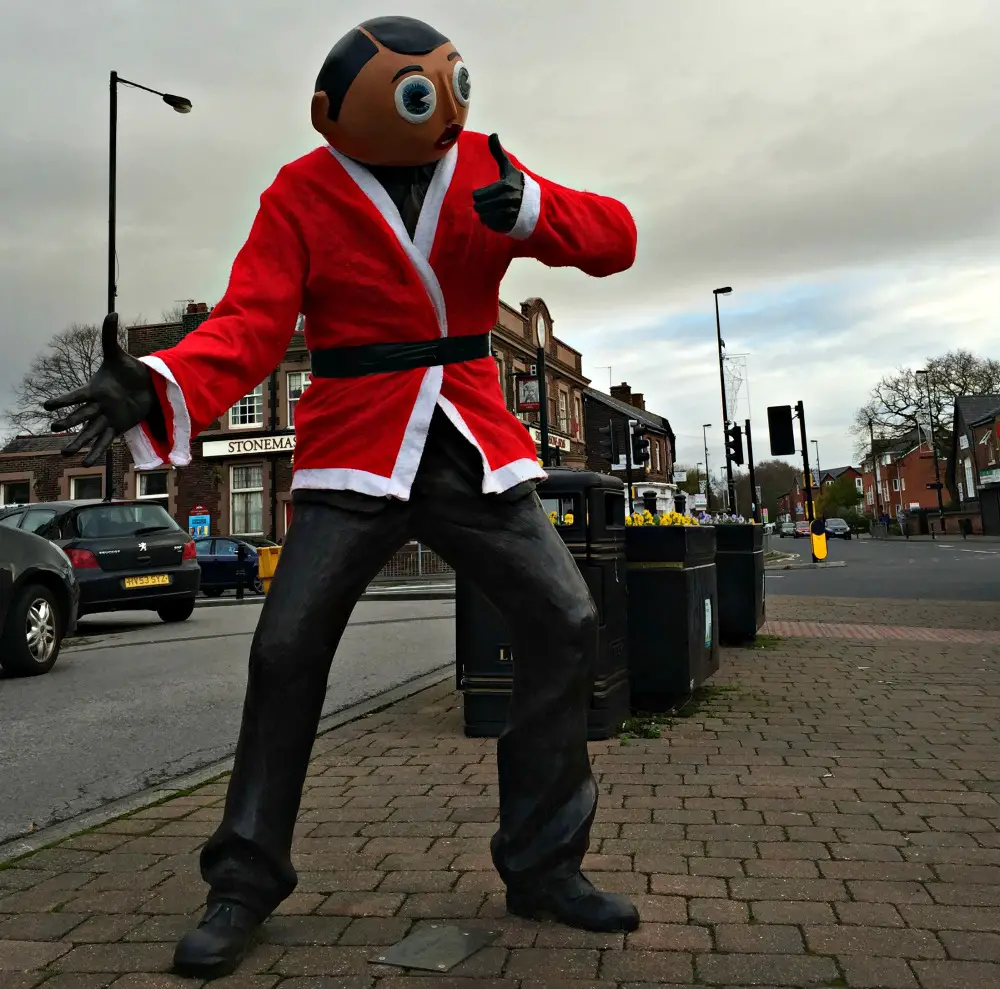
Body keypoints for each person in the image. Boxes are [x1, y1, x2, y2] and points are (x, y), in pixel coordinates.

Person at [45, 15, 639, 980]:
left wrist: (533, 210)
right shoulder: (300, 193)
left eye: (451, 87)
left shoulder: (488, 164)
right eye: (417, 93)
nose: (442, 109)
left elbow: (615, 238)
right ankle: (243, 878)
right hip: (356, 451)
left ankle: (544, 862)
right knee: (285, 647)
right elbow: (248, 323)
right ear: (331, 115)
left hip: (469, 440)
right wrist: (158, 382)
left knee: (566, 617)